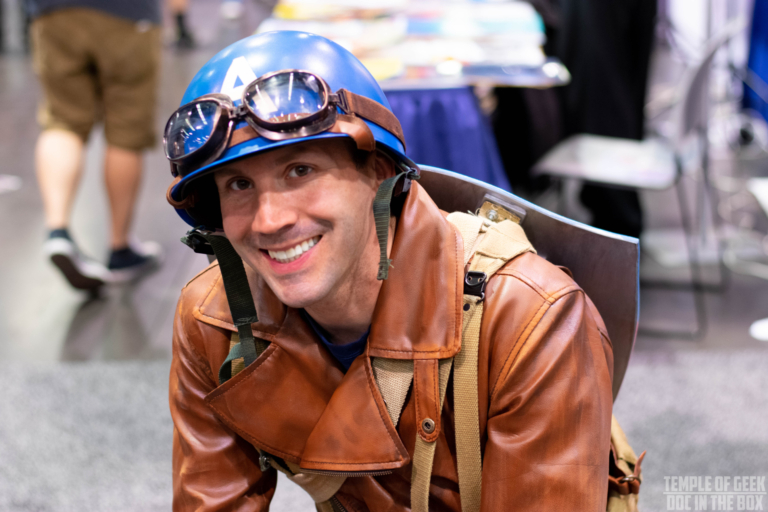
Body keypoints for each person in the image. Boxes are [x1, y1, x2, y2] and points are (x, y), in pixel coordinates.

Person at [167, 31, 614, 511]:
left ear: (379, 172)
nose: (270, 220)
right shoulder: (215, 320)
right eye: (238, 184)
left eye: (301, 170)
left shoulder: (527, 318)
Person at [28, 1, 163, 289]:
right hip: (127, 14)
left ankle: (57, 231)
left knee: (62, 121)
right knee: (126, 132)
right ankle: (119, 248)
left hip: (52, 11)